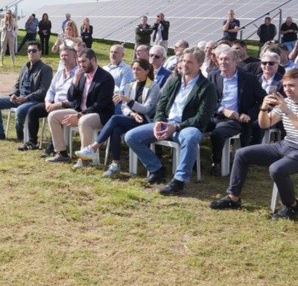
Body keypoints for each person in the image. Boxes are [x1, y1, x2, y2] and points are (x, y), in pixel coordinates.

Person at [210, 69, 298, 220]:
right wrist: (263, 108)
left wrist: (287, 111)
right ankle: (233, 198)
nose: (287, 89)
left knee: (276, 169)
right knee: (242, 154)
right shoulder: (286, 103)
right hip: (287, 145)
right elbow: (264, 124)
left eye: (292, 85)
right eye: (285, 86)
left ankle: (292, 206)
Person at [124, 47, 218, 195]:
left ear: (200, 64)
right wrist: (158, 121)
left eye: (189, 62)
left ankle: (179, 181)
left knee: (191, 137)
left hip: (187, 126)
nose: (184, 65)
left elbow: (202, 117)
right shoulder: (174, 80)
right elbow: (161, 104)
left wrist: (176, 127)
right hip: (165, 124)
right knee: (131, 137)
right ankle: (157, 169)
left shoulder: (207, 87)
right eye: (183, 61)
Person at [76, 58, 161, 176]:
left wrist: (129, 101)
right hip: (132, 118)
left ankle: (93, 148)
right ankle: (115, 164)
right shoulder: (130, 85)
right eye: (133, 69)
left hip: (145, 121)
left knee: (115, 118)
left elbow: (147, 109)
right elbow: (124, 107)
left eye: (138, 69)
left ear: (146, 71)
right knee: (116, 129)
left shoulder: (153, 87)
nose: (135, 72)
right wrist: (132, 113)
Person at [45, 49, 115, 164]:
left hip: (100, 115)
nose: (81, 65)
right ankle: (61, 153)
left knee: (84, 120)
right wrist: (75, 81)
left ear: (93, 60)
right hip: (80, 111)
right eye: (79, 62)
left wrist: (79, 115)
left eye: (84, 61)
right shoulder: (81, 75)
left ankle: (84, 159)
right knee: (53, 116)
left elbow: (99, 105)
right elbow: (71, 98)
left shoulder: (105, 78)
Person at [205, 46, 266, 176]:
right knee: (193, 127)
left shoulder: (249, 79)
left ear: (236, 61)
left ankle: (217, 162)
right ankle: (193, 162)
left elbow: (263, 100)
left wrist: (249, 114)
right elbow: (207, 99)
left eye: (226, 59)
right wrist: (222, 109)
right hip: (215, 115)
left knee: (217, 133)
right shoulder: (213, 75)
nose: (222, 62)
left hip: (235, 119)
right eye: (220, 59)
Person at [0, 41, 52, 141]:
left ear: (40, 52)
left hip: (34, 101)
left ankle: (19, 130)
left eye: (34, 51)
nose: (31, 53)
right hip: (19, 98)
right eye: (29, 51)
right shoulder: (24, 67)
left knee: (20, 110)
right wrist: (13, 94)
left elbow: (43, 90)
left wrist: (26, 98)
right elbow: (17, 84)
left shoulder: (45, 69)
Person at [19, 46, 78, 152]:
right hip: (53, 103)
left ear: (75, 56)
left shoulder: (79, 74)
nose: (63, 57)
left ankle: (52, 146)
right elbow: (50, 91)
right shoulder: (59, 73)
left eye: (66, 55)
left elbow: (77, 97)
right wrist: (47, 102)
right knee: (33, 110)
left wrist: (59, 104)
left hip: (68, 105)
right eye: (62, 55)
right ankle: (32, 142)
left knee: (54, 115)